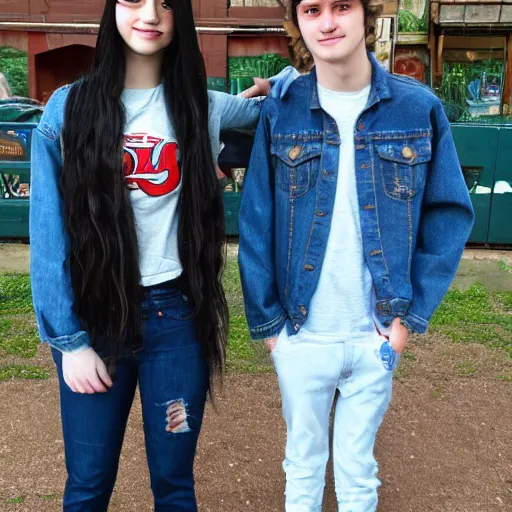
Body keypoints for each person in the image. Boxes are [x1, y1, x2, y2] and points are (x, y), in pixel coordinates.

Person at [29, 1, 286, 510]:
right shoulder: (68, 108)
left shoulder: (201, 106)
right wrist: (68, 341)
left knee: (174, 485)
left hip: (175, 320)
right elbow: (48, 233)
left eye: (166, 2)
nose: (150, 13)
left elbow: (274, 109)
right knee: (87, 486)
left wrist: (283, 78)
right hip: (94, 322)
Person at [238, 0, 475, 510]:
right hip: (302, 334)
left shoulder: (418, 108)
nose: (327, 22)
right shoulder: (283, 109)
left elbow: (450, 214)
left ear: (368, 15)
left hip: (376, 338)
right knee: (302, 467)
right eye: (312, 9)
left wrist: (409, 319)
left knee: (358, 470)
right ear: (296, 22)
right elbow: (256, 217)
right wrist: (272, 327)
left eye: (342, 6)